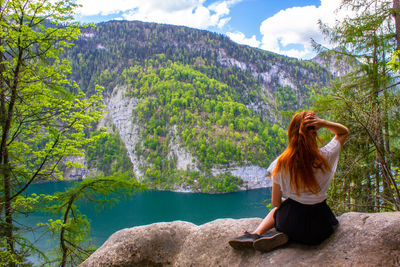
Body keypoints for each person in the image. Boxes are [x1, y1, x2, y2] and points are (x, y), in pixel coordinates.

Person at [229, 111, 349, 252]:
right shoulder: (326, 155)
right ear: (315, 133)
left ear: (291, 134)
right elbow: (343, 132)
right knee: (303, 215)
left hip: (290, 224)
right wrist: (323, 123)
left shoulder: (281, 164)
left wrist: (288, 201)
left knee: (280, 209)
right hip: (321, 227)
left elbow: (276, 203)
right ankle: (281, 236)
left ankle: (257, 234)